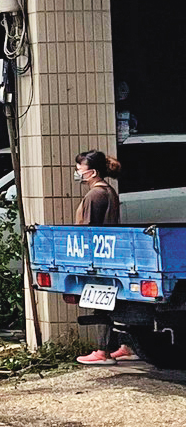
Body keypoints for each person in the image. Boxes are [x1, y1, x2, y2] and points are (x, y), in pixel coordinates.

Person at [73, 149, 138, 366]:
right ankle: (126, 346)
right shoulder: (109, 191)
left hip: (97, 257)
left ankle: (103, 350)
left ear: (91, 172)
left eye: (79, 168)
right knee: (117, 302)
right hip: (110, 253)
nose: (77, 172)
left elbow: (88, 229)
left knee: (101, 301)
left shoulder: (95, 195)